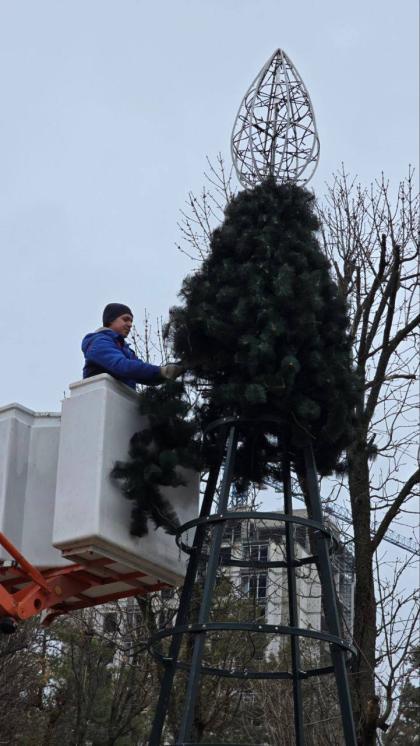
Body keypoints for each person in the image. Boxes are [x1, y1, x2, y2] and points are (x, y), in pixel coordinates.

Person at [82, 303, 183, 388]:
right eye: (125, 319)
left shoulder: (127, 351)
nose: (130, 324)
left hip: (120, 401)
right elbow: (122, 365)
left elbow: (143, 374)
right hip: (99, 402)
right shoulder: (98, 342)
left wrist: (169, 372)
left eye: (131, 321)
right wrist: (162, 371)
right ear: (110, 320)